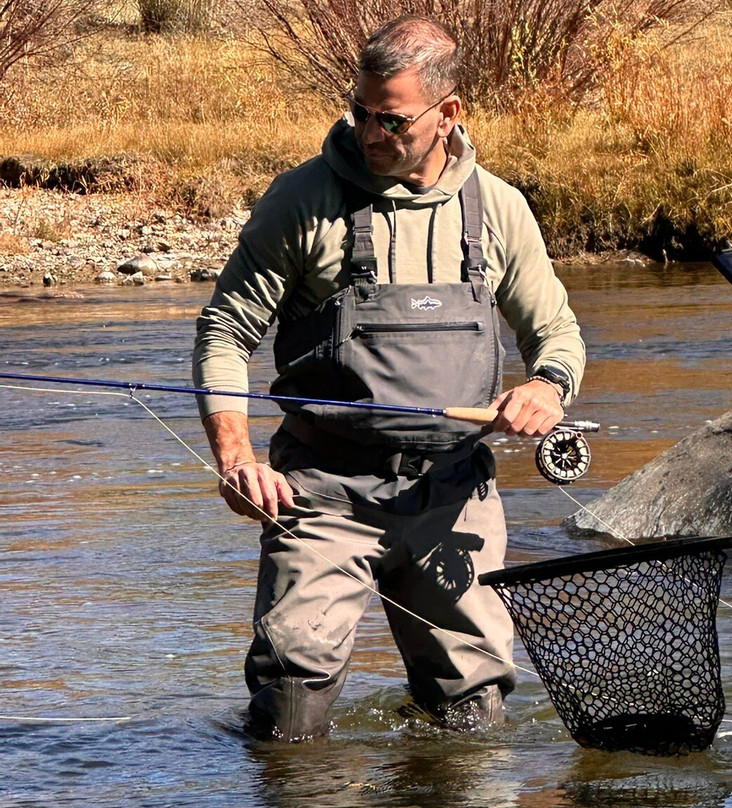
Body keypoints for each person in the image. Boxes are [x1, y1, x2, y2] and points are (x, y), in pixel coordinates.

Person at [192, 15, 585, 741]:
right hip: (322, 492)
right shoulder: (301, 200)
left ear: (449, 113)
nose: (373, 134)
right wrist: (236, 459)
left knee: (474, 718)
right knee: (288, 713)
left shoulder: (498, 208)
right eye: (362, 113)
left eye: (393, 120)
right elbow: (224, 332)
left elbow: (557, 335)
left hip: (453, 496)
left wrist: (547, 388)